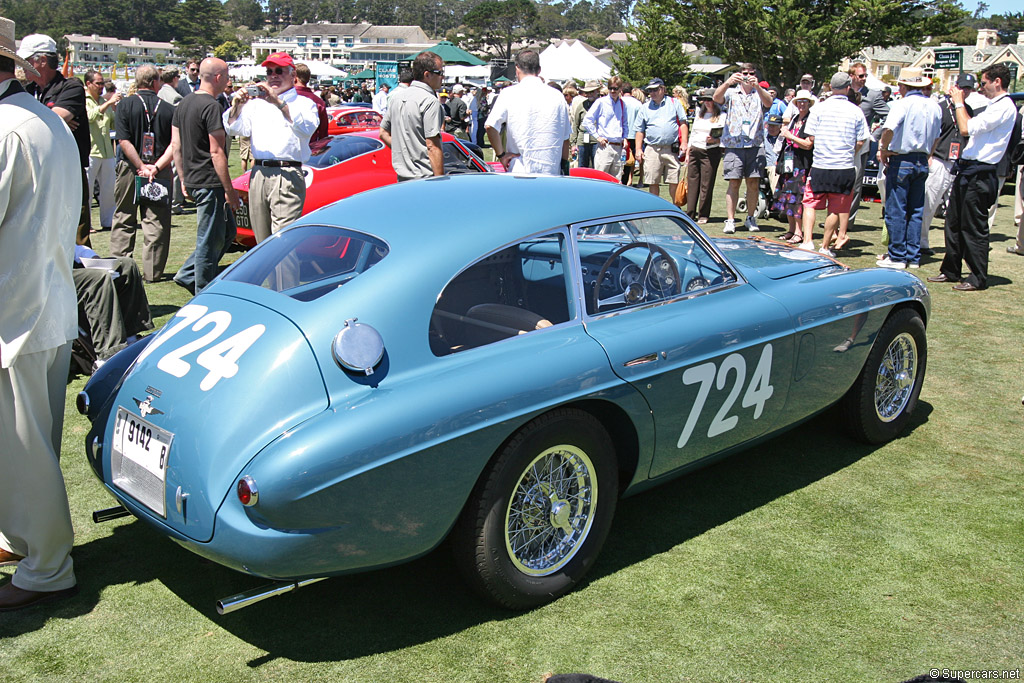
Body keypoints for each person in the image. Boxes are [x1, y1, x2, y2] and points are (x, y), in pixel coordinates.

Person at [0, 18, 82, 611]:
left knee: (24, 446)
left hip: (15, 310)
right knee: (30, 444)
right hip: (45, 301)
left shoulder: (9, 127)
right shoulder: (44, 120)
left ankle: (47, 565)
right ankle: (22, 541)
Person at [928, 64, 1018, 291]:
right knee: (954, 222)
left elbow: (966, 127)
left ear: (997, 82)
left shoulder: (1004, 106)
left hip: (981, 171)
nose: (982, 87)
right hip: (968, 168)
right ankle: (951, 269)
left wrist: (958, 102)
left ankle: (978, 276)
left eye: (985, 83)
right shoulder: (991, 105)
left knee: (973, 227)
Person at [223, 52, 319, 243]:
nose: (273, 76)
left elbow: (306, 128)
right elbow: (234, 128)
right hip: (258, 173)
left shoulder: (304, 103)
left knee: (283, 241)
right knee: (262, 242)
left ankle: (287, 275)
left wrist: (278, 103)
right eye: (269, 72)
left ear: (293, 75)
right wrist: (237, 106)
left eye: (279, 71)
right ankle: (268, 275)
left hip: (286, 173)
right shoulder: (256, 104)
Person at [171, 58, 240, 294]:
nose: (229, 80)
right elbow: (216, 151)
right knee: (208, 240)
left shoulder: (184, 103)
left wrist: (182, 179)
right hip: (209, 182)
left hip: (194, 179)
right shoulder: (211, 106)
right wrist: (230, 192)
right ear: (218, 77)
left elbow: (176, 145)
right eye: (227, 75)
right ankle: (201, 289)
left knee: (228, 233)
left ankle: (189, 274)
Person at [18, 33, 92, 246]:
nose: (22, 66)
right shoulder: (28, 90)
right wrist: (50, 119)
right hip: (40, 170)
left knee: (76, 235)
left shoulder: (71, 87)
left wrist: (47, 120)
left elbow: (54, 118)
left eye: (27, 60)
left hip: (68, 170)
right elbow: (53, 119)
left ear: (42, 61)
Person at [110, 65, 175, 283]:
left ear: (137, 82)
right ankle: (153, 272)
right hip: (159, 171)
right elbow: (175, 145)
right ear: (156, 82)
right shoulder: (168, 108)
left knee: (124, 217)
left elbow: (123, 140)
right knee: (156, 222)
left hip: (130, 168)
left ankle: (121, 267)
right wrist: (155, 167)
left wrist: (140, 165)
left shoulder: (125, 105)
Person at [875, 68, 941, 269]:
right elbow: (937, 136)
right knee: (915, 209)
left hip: (902, 158)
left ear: (903, 86)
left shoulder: (902, 104)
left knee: (897, 208)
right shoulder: (934, 106)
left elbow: (889, 129)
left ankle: (897, 255)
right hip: (921, 159)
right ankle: (913, 255)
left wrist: (883, 149)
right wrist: (929, 154)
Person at [800, 72, 869, 254]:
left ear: (831, 87)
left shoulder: (819, 108)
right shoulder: (856, 111)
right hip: (844, 166)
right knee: (835, 208)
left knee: (810, 203)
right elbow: (861, 141)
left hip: (821, 164)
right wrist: (848, 152)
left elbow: (811, 135)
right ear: (848, 88)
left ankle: (807, 241)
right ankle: (824, 246)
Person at [484, 49, 570, 176]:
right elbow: (565, 138)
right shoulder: (557, 96)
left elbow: (490, 126)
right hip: (551, 172)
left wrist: (501, 155)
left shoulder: (509, 93)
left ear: (517, 68)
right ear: (539, 69)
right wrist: (564, 166)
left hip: (519, 171)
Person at [713, 63, 774, 233]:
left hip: (755, 144)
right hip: (734, 144)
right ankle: (731, 220)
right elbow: (717, 99)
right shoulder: (732, 92)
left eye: (751, 73)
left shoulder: (759, 93)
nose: (747, 76)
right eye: (744, 73)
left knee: (753, 183)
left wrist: (758, 86)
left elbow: (768, 103)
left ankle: (751, 218)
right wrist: (727, 83)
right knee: (734, 182)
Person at [921, 73, 975, 255]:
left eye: (969, 89)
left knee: (953, 208)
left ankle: (954, 246)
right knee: (929, 203)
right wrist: (928, 156)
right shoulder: (941, 108)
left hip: (957, 162)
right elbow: (931, 134)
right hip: (939, 159)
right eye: (963, 88)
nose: (965, 92)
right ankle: (922, 242)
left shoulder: (967, 109)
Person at [72, 246, 153, 362]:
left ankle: (131, 340)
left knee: (126, 264)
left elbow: (69, 244)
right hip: (44, 276)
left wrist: (93, 258)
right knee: (97, 278)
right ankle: (108, 356)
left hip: (62, 265)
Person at [380, 51, 445, 182]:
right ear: (427, 75)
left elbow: (383, 133)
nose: (442, 77)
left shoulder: (396, 98)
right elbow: (432, 146)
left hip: (402, 178)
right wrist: (440, 183)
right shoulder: (430, 101)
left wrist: (406, 153)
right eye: (440, 73)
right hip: (425, 179)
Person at [847, 61, 890, 229]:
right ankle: (835, 218)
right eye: (861, 76)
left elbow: (888, 116)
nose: (864, 79)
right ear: (851, 76)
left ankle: (848, 222)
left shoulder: (872, 96)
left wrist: (874, 135)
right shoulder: (845, 92)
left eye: (866, 76)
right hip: (842, 143)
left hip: (861, 144)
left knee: (856, 184)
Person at [771, 90, 815, 242]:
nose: (802, 104)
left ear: (809, 104)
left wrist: (791, 136)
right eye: (799, 101)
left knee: (797, 199)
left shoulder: (810, 120)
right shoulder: (795, 118)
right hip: (789, 163)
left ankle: (798, 232)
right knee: (787, 197)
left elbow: (808, 144)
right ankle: (791, 230)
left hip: (801, 165)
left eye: (805, 101)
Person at [635, 77, 688, 199]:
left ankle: (675, 209)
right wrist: (638, 149)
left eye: (655, 90)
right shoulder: (645, 107)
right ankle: (656, 209)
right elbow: (639, 130)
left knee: (673, 180)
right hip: (652, 149)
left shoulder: (674, 103)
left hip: (671, 149)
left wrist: (684, 142)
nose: (652, 93)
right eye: (650, 90)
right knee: (653, 181)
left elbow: (683, 123)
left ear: (663, 89)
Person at [84, 69, 120, 232]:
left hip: (106, 151)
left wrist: (116, 108)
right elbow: (90, 117)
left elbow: (112, 124)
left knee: (108, 190)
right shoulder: (84, 100)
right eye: (98, 83)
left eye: (102, 84)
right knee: (88, 190)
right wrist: (107, 103)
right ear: (88, 84)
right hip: (91, 150)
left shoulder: (102, 102)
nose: (101, 87)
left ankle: (108, 221)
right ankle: (86, 223)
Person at [686, 88, 723, 223]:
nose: (707, 102)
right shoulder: (699, 115)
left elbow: (724, 136)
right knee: (692, 182)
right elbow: (693, 133)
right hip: (695, 149)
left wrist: (715, 140)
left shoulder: (721, 116)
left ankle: (703, 214)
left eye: (710, 100)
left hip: (710, 151)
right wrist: (688, 151)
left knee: (706, 184)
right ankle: (690, 212)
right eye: (705, 100)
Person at [584, 76, 629, 178]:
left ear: (620, 89)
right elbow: (587, 121)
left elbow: (625, 123)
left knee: (617, 180)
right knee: (601, 179)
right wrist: (598, 137)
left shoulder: (622, 104)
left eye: (615, 88)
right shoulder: (601, 102)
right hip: (605, 146)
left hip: (618, 146)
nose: (612, 91)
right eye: (610, 88)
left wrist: (625, 138)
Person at [293, 63, 328, 143]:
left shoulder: (285, 98)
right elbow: (323, 134)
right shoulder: (319, 102)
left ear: (295, 77)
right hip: (310, 148)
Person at [570, 80, 601, 168]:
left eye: (592, 92)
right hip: (582, 140)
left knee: (596, 166)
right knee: (582, 166)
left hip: (596, 140)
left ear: (597, 91)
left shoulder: (601, 105)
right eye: (587, 92)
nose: (589, 94)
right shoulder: (582, 105)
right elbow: (575, 124)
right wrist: (573, 143)